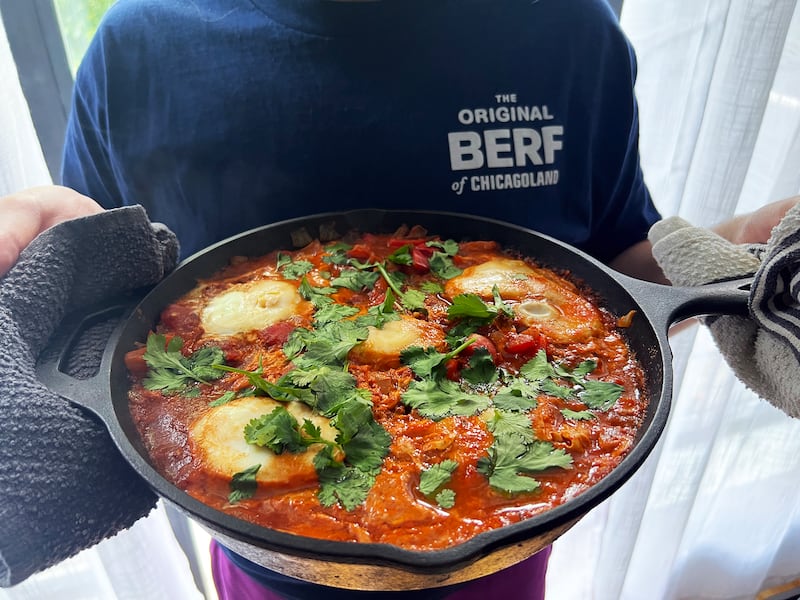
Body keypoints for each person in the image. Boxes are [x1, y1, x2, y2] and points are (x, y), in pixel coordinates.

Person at [0, 0, 797, 598]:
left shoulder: (570, 33)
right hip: (266, 567)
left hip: (503, 555)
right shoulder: (136, 50)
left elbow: (613, 279)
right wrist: (44, 274)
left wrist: (735, 265)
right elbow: (108, 320)